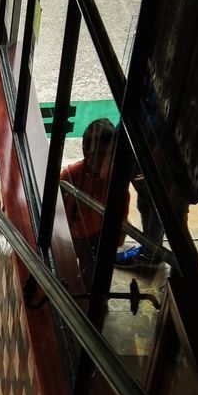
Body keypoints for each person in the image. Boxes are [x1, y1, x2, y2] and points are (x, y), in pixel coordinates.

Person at [60, 117, 130, 289]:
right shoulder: (70, 176)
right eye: (99, 154)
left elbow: (122, 210)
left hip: (98, 236)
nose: (104, 160)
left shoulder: (115, 180)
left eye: (110, 154)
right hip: (71, 238)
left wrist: (117, 237)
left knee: (96, 278)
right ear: (85, 151)